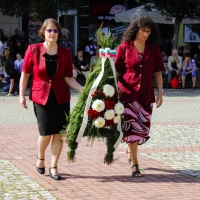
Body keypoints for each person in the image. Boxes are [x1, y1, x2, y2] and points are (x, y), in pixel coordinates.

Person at [19, 18, 83, 180]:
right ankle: (41, 157)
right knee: (46, 133)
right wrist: (21, 96)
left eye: (55, 31)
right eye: (49, 30)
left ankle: (54, 166)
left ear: (59, 33)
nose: (52, 33)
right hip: (41, 97)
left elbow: (68, 77)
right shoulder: (33, 50)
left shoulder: (65, 52)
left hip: (61, 98)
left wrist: (83, 90)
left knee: (59, 134)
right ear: (43, 32)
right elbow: (25, 74)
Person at [115, 16, 165, 177]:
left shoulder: (153, 48)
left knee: (143, 129)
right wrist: (109, 89)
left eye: (148, 31)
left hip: (146, 94)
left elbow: (158, 72)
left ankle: (131, 151)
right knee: (132, 129)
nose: (145, 34)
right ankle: (135, 165)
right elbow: (116, 71)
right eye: (143, 30)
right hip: (127, 94)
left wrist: (160, 92)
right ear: (136, 30)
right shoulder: (123, 48)